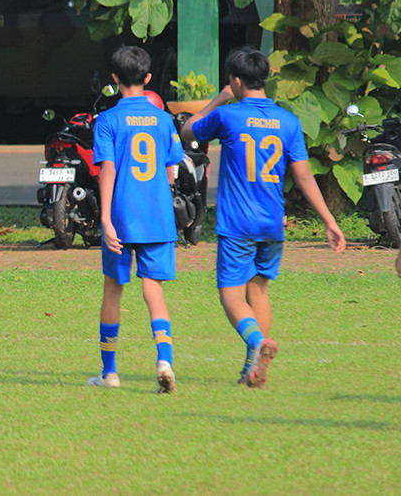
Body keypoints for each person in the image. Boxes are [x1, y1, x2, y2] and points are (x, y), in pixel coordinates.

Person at [181, 47, 345, 387]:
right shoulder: (288, 121)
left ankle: (257, 343)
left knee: (231, 295)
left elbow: (187, 132)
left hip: (237, 224)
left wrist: (218, 99)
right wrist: (329, 221)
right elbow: (303, 176)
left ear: (237, 82)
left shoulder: (229, 116)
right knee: (259, 291)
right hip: (272, 224)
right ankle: (251, 369)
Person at [88, 46, 185, 394]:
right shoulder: (162, 119)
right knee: (152, 288)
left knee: (113, 288)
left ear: (114, 80)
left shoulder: (108, 120)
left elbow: (108, 170)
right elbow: (172, 163)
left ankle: (110, 373)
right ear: (147, 78)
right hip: (157, 216)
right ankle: (164, 361)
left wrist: (106, 219)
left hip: (121, 216)